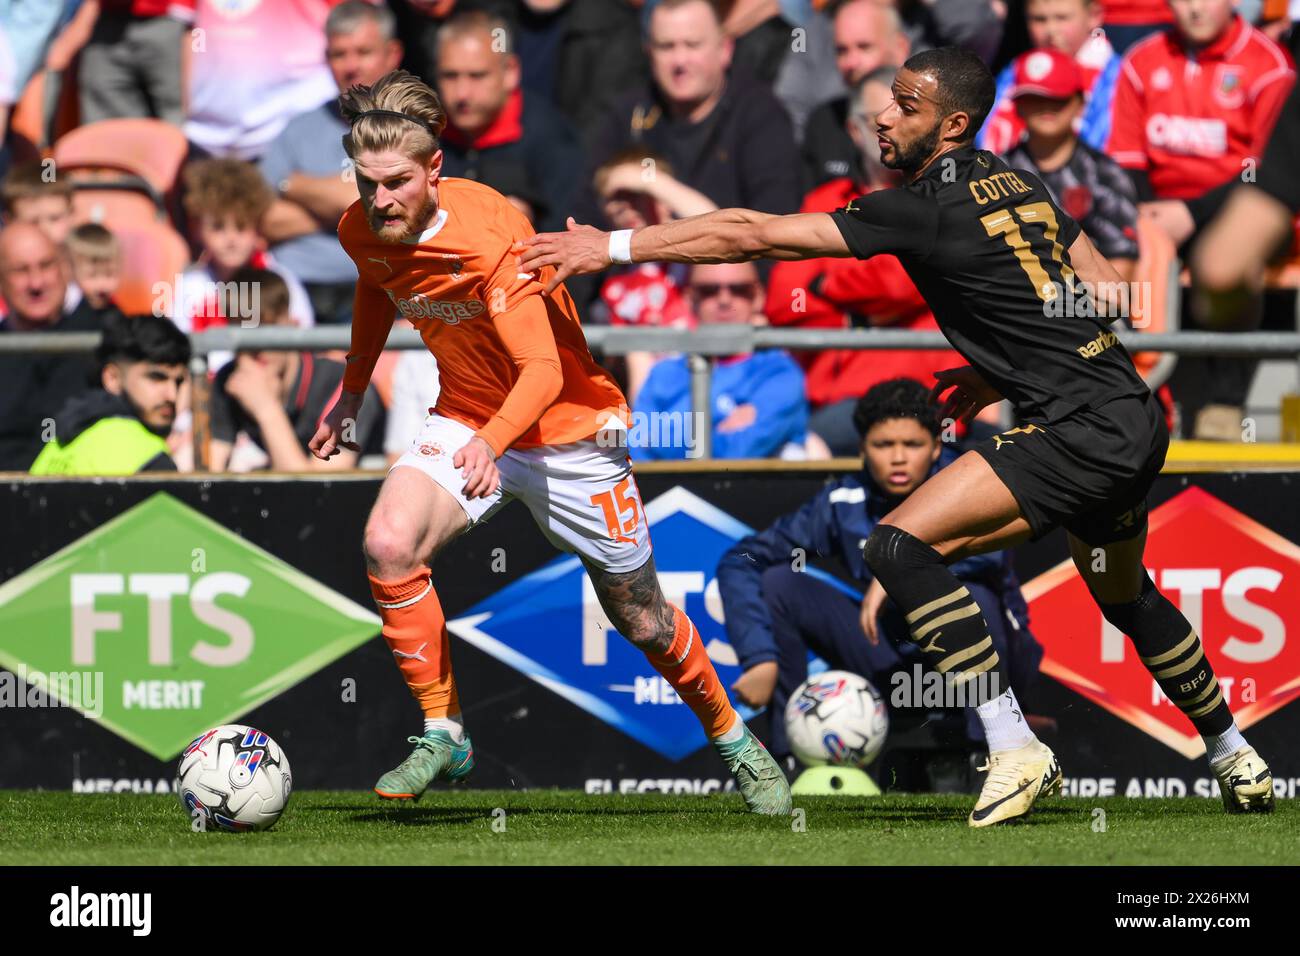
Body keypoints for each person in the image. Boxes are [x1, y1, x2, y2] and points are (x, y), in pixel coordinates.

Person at [519, 46, 1275, 826]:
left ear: (951, 123)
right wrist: (1012, 367)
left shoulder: (921, 207)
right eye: (887, 99)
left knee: (897, 548)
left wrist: (604, 248)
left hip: (1078, 431)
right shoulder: (1020, 178)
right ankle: (1234, 753)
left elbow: (754, 233)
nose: (883, 116)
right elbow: (1111, 295)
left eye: (906, 106)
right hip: (1128, 415)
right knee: (1125, 597)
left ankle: (1015, 747)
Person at [309, 68, 792, 814]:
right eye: (367, 184)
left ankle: (734, 738)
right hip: (470, 416)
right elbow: (378, 283)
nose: (380, 202)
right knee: (388, 543)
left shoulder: (490, 236)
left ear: (435, 168)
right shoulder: (362, 226)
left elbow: (539, 372)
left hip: (567, 431)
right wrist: (350, 390)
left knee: (643, 618)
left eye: (396, 183)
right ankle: (443, 731)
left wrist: (493, 445)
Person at [718, 377, 1042, 763]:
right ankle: (789, 763)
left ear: (937, 445)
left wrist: (899, 571)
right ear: (862, 449)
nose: (899, 457)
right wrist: (759, 656)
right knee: (779, 583)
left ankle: (993, 756)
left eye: (913, 445)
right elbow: (743, 559)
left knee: (979, 598)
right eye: (884, 445)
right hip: (891, 658)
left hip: (989, 659)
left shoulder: (969, 484)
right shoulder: (844, 499)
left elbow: (990, 556)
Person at [767, 66, 961, 457]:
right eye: (880, 119)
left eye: (907, 115)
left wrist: (830, 286)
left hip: (932, 395)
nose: (892, 127)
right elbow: (784, 302)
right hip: (836, 396)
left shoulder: (948, 196)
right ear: (855, 131)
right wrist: (859, 317)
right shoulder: (824, 202)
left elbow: (903, 282)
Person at [260, 0, 404, 326]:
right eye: (340, 54)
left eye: (363, 52)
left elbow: (392, 209)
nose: (351, 66)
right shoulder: (296, 129)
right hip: (297, 296)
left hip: (388, 296)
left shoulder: (415, 128)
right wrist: (349, 205)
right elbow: (264, 220)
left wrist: (292, 185)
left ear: (392, 54)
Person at [208, 268, 380, 472]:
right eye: (241, 332)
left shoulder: (348, 386)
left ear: (291, 323)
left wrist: (267, 410)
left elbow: (319, 491)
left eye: (263, 329)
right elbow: (210, 475)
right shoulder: (229, 380)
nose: (254, 346)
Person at [633, 261, 807, 460]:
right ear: (690, 299)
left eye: (740, 290)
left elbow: (738, 453)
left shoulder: (781, 374)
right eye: (709, 291)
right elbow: (636, 451)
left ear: (758, 297)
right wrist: (721, 414)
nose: (724, 300)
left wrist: (666, 432)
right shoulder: (663, 373)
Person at [433, 9, 584, 234]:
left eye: (477, 76)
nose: (462, 93)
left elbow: (571, 239)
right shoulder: (427, 134)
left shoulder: (552, 139)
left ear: (510, 72)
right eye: (450, 76)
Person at [1002, 48, 1138, 281]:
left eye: (1057, 97)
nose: (1045, 107)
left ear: (1079, 103)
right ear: (1018, 106)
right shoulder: (996, 172)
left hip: (1086, 307)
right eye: (1034, 98)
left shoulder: (1106, 174)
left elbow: (1120, 265)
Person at [0, 223, 115, 470]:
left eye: (46, 265)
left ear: (64, 267)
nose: (36, 283)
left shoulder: (108, 334)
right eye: (21, 271)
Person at [30, 313, 188, 475]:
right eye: (156, 378)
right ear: (113, 378)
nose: (172, 395)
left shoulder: (60, 438)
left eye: (179, 382)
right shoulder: (148, 457)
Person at [977, 0, 1119, 156]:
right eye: (1039, 19)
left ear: (1094, 15)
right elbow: (987, 134)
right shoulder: (1015, 71)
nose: (1051, 30)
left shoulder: (1114, 77)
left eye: (1062, 18)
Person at [803, 0, 911, 188]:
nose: (851, 62)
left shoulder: (931, 117)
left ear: (900, 48)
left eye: (864, 47)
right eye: (841, 50)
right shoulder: (824, 122)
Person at [66, 223, 124, 319]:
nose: (102, 285)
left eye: (109, 274)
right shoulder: (66, 315)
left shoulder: (116, 315)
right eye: (92, 275)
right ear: (70, 271)